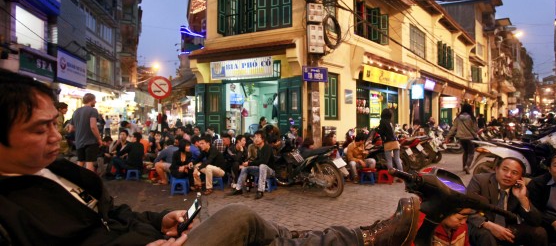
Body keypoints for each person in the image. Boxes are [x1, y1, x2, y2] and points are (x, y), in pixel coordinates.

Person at [0, 73, 422, 245]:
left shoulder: (60, 172)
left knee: (259, 229)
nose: (59, 136)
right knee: (240, 217)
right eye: (40, 129)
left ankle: (341, 239)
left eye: (56, 124)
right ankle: (357, 240)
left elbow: (113, 211)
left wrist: (158, 220)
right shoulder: (10, 210)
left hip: (152, 236)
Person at [467, 157, 547, 246]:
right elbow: (468, 209)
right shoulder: (479, 180)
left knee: (539, 232)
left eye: (514, 173)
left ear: (520, 178)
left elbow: (536, 221)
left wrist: (522, 198)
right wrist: (490, 225)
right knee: (486, 235)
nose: (508, 175)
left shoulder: (521, 190)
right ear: (496, 169)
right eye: (505, 170)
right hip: (483, 225)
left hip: (507, 227)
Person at [231, 130, 275, 200]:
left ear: (263, 139)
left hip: (271, 172)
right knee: (246, 168)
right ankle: (238, 188)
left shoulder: (267, 148)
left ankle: (260, 190)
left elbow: (264, 161)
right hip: (261, 171)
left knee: (262, 165)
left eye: (258, 137)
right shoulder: (259, 148)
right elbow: (257, 160)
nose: (256, 139)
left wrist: (249, 163)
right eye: (255, 137)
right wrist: (247, 164)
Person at [70, 93, 103, 172]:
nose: (95, 102)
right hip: (90, 141)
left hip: (78, 141)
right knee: (89, 162)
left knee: (80, 161)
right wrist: (99, 138)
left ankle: (79, 181)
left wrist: (81, 129)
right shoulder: (93, 110)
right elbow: (93, 126)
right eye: (94, 100)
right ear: (91, 100)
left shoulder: (76, 111)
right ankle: (88, 181)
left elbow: (71, 128)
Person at [445, 103, 478, 174]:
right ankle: (467, 166)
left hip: (461, 138)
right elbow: (475, 129)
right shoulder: (472, 118)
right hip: (470, 138)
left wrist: (447, 137)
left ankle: (463, 167)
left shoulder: (458, 118)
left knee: (465, 152)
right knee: (471, 153)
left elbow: (453, 128)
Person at [378, 108, 404, 173]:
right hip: (395, 142)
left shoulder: (382, 121)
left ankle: (391, 175)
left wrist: (376, 130)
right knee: (397, 159)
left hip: (388, 142)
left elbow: (381, 132)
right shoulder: (390, 122)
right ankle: (402, 175)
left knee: (389, 161)